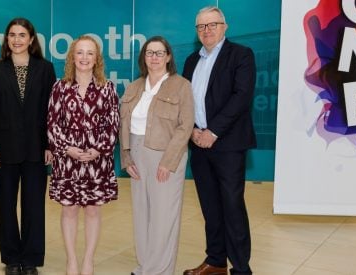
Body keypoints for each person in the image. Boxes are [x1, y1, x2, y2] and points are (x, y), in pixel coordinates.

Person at [181, 6, 257, 275]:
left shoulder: (241, 55)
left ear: (225, 26)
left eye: (212, 24)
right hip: (198, 143)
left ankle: (240, 268)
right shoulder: (191, 60)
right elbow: (186, 101)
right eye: (201, 26)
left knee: (232, 206)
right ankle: (215, 261)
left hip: (227, 143)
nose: (206, 30)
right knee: (210, 206)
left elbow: (241, 97)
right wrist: (191, 130)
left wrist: (212, 132)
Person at [0, 18, 56, 275]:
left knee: (34, 206)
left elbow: (51, 111)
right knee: (6, 205)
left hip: (37, 149)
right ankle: (12, 258)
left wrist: (50, 144)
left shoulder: (45, 69)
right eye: (12, 35)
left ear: (32, 39)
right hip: (4, 149)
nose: (16, 39)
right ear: (7, 39)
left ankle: (32, 258)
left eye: (22, 35)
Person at [119, 36, 194, 275]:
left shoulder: (181, 85)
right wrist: (126, 157)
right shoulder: (134, 86)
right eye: (149, 53)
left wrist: (168, 162)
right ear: (144, 57)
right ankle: (145, 266)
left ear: (168, 57)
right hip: (137, 155)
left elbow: (186, 126)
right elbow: (123, 124)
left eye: (159, 53)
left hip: (165, 156)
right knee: (142, 214)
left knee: (163, 217)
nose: (154, 57)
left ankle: (159, 271)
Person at [47, 35, 119, 275]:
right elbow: (52, 124)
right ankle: (72, 261)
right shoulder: (60, 87)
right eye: (80, 52)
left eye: (90, 53)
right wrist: (67, 148)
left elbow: (113, 124)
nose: (85, 57)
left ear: (97, 58)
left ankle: (88, 260)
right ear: (72, 57)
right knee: (69, 209)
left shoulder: (107, 88)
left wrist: (98, 149)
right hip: (67, 159)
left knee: (92, 209)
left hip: (97, 160)